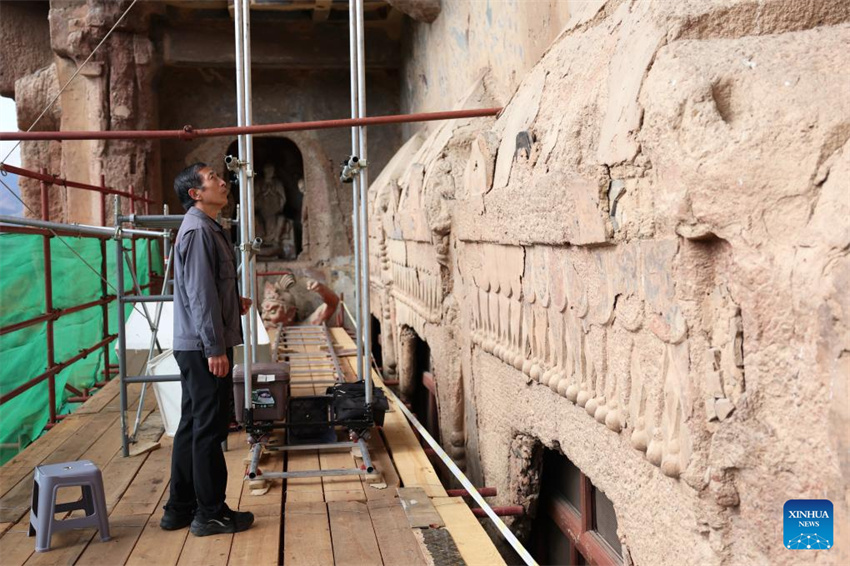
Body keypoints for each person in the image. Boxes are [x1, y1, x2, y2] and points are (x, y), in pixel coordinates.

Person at [160, 162, 255, 536]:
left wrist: (234, 300)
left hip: (196, 344)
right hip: (204, 348)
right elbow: (200, 295)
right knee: (210, 429)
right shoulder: (200, 231)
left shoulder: (203, 228)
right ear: (195, 194)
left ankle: (179, 508)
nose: (221, 181)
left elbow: (207, 288)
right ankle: (210, 512)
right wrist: (215, 348)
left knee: (191, 425)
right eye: (212, 177)